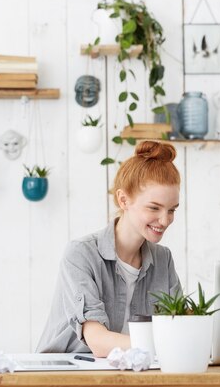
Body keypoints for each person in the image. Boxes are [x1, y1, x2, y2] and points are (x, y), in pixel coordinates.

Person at [36, 140, 182, 357]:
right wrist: (167, 344)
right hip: (68, 375)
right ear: (123, 200)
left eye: (172, 210)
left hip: (128, 373)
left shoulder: (163, 259)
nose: (164, 220)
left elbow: (178, 328)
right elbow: (98, 341)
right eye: (154, 208)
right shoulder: (81, 254)